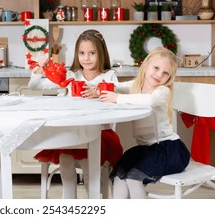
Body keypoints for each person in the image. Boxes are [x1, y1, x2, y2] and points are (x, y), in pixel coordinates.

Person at [28, 29, 123, 198]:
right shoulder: (71, 76)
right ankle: (70, 202)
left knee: (88, 165)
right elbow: (34, 86)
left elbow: (117, 96)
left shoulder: (108, 76)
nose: (86, 58)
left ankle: (93, 202)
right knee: (65, 159)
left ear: (101, 53)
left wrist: (99, 93)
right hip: (73, 132)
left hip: (99, 134)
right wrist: (39, 68)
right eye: (82, 53)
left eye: (92, 53)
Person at [99, 46, 190, 199]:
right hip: (147, 148)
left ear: (169, 77)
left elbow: (149, 100)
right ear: (146, 65)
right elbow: (118, 87)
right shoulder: (136, 85)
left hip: (169, 149)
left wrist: (117, 98)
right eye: (156, 67)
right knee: (120, 173)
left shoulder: (162, 91)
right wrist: (100, 88)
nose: (159, 74)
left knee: (133, 177)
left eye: (165, 73)